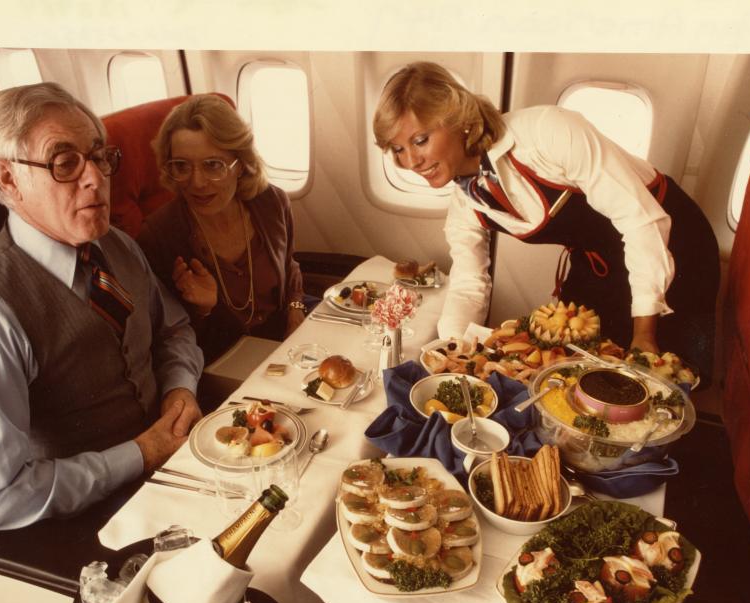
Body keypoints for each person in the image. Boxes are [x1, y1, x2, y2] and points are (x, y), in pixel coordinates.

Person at [0, 82, 205, 531]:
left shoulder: (114, 245)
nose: (95, 178)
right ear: (6, 177)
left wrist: (180, 389)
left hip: (177, 463)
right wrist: (141, 454)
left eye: (99, 156)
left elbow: (172, 329)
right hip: (93, 520)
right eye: (65, 163)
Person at [372, 62, 720, 382]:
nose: (411, 161)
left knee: (661, 376)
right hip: (601, 261)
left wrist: (644, 333)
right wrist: (451, 353)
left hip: (670, 239)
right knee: (579, 366)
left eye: (420, 140)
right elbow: (469, 282)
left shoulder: (546, 132)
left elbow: (639, 219)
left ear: (457, 118)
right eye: (397, 149)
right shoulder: (466, 200)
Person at [136, 94, 306, 365]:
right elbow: (171, 341)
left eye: (213, 165)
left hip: (284, 342)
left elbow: (290, 265)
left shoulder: (271, 202)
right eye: (182, 166)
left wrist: (296, 311)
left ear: (240, 165)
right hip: (222, 362)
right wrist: (203, 309)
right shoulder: (159, 236)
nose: (197, 182)